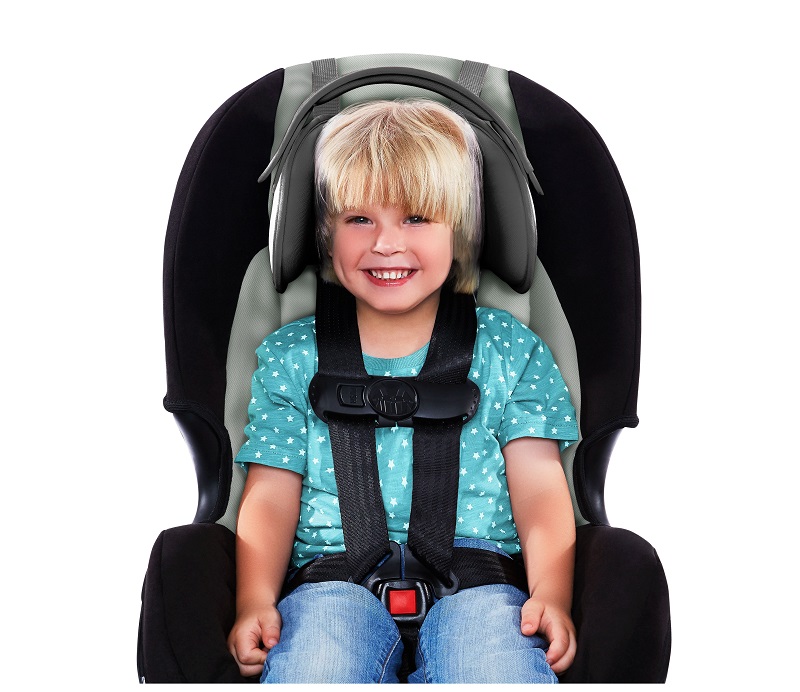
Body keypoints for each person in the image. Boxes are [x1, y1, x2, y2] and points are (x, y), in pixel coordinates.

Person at [227, 99, 580, 683]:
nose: (386, 244)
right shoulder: (291, 358)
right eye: (359, 219)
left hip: (482, 586)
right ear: (325, 233)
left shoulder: (509, 350)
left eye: (416, 218)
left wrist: (550, 593)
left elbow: (540, 489)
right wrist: (254, 599)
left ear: (460, 230)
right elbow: (270, 495)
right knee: (315, 666)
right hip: (329, 587)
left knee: (496, 670)